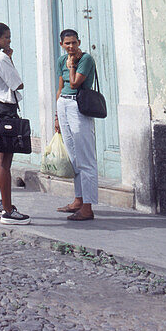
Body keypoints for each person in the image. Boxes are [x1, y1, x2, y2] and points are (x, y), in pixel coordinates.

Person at [0, 22, 30, 225]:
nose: (9, 41)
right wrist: (10, 58)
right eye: (6, 37)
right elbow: (18, 83)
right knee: (4, 162)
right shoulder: (1, 57)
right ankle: (8, 211)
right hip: (5, 110)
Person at [54, 28, 98, 221]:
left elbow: (74, 84)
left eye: (74, 43)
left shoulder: (85, 59)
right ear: (62, 45)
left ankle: (88, 208)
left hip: (78, 106)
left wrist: (72, 65)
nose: (71, 47)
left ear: (79, 42)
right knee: (73, 156)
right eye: (67, 43)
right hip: (63, 104)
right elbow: (60, 86)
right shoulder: (61, 60)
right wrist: (56, 115)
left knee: (85, 157)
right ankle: (78, 200)